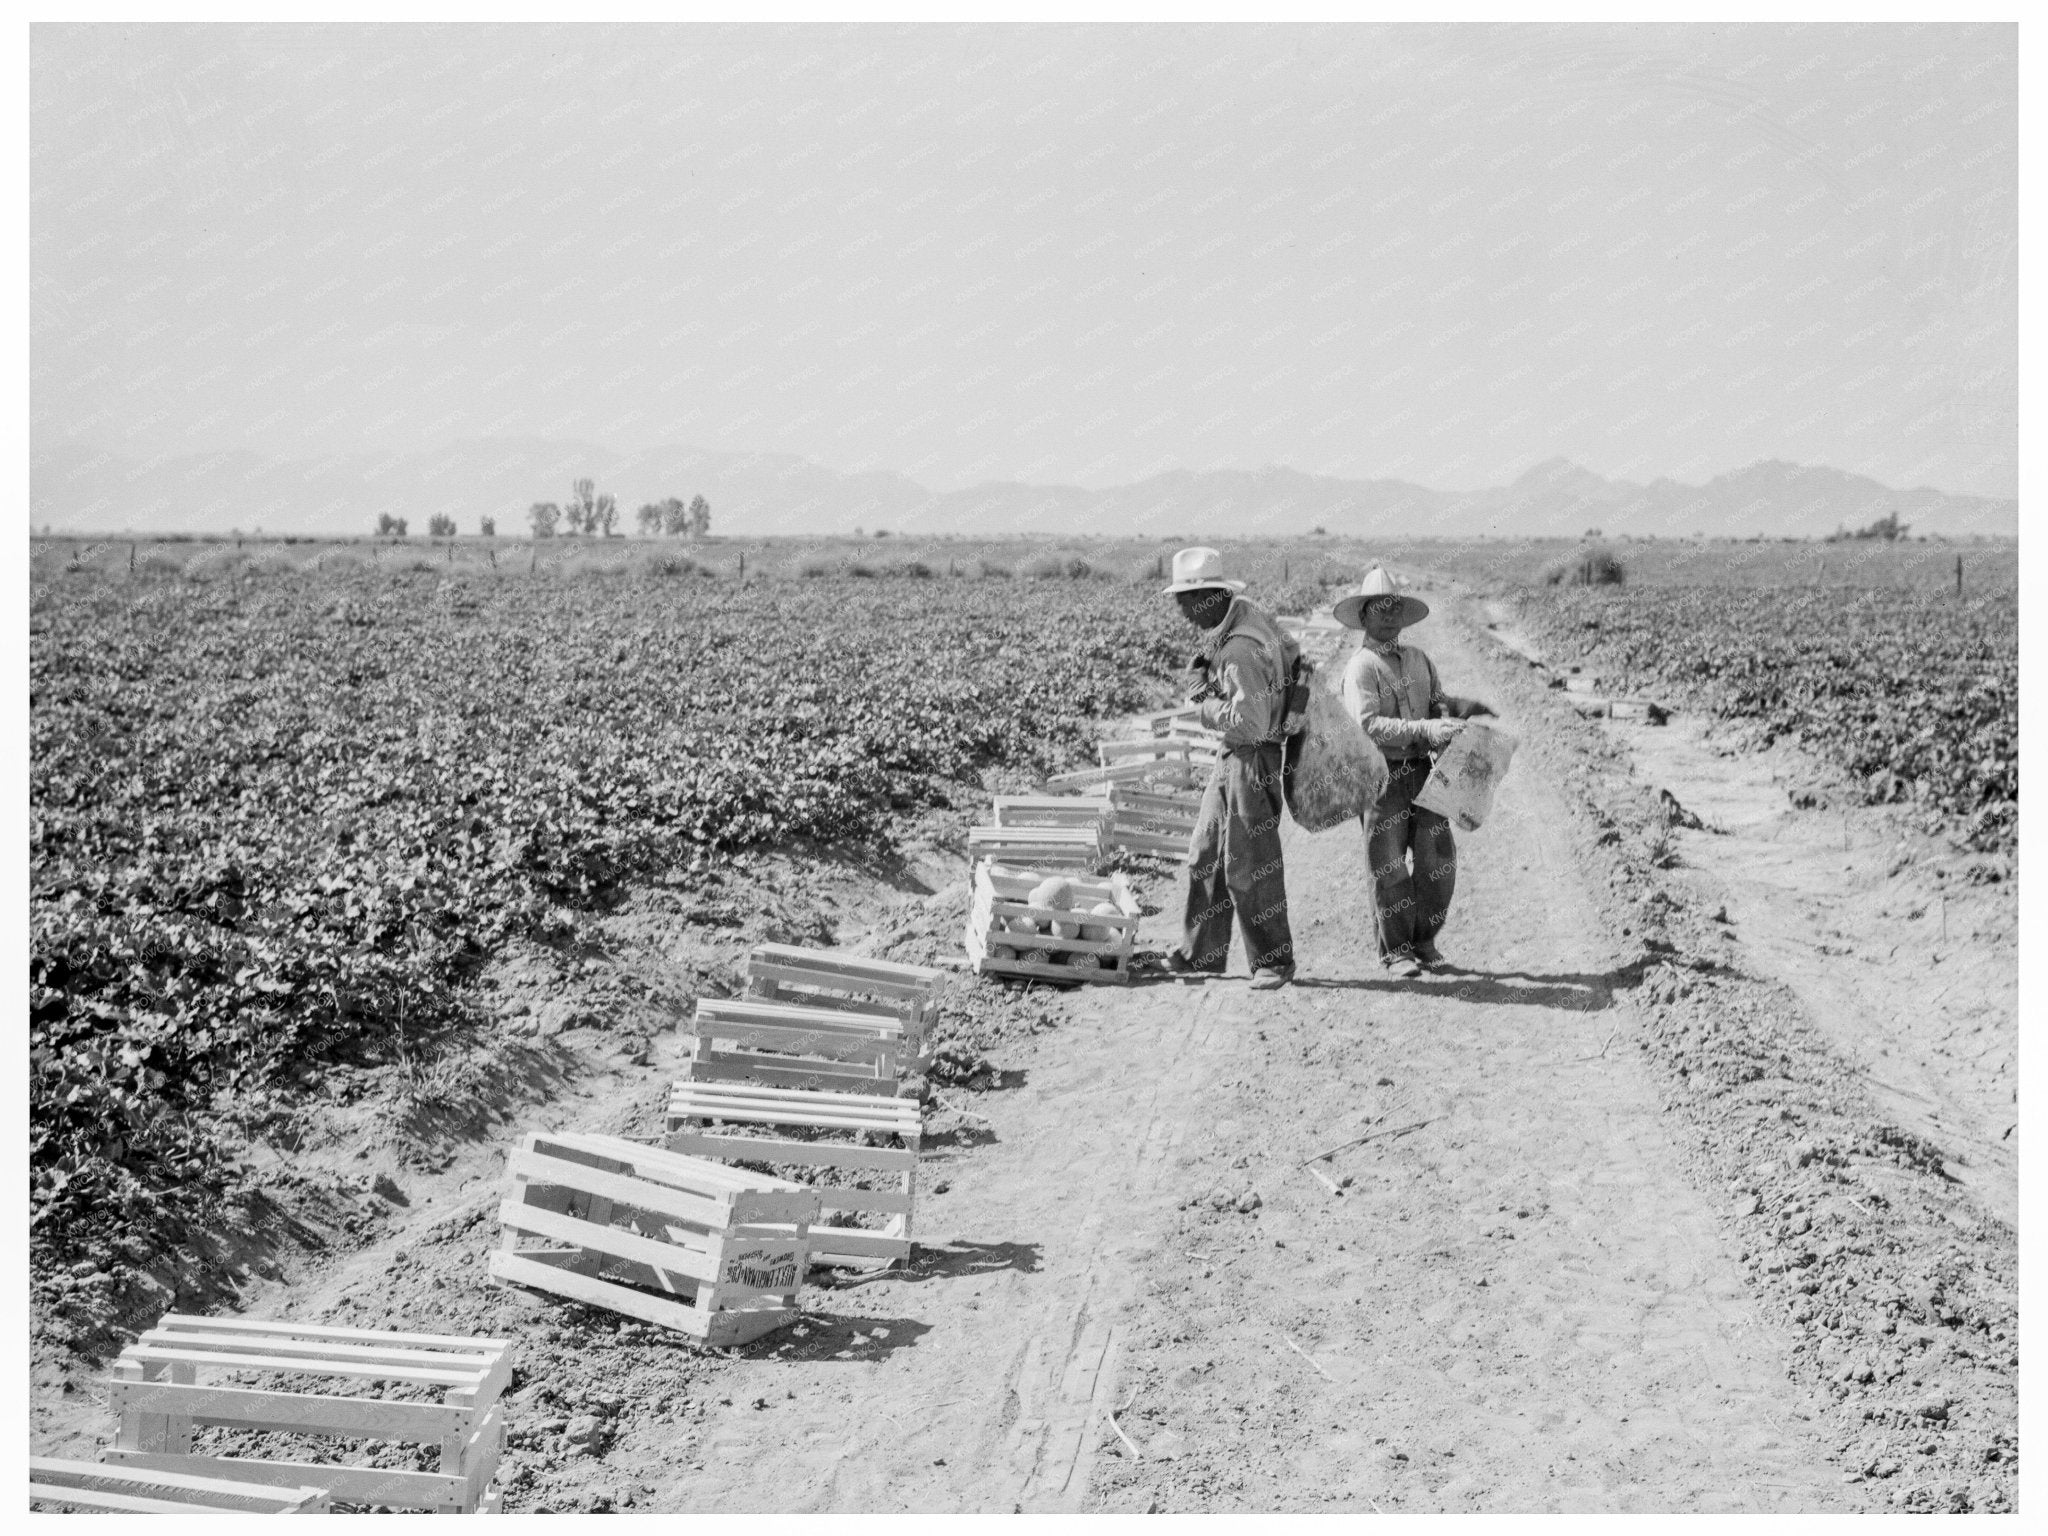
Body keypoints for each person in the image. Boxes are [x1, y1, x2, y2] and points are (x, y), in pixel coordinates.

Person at [1149, 547, 1302, 991]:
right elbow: (1293, 654)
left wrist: (1205, 704)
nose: (1179, 609)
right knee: (1206, 853)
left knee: (1250, 863)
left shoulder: (1238, 649)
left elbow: (1249, 722)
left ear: (1207, 598)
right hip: (1234, 755)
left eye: (1183, 600)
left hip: (1252, 756)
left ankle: (1274, 961)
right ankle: (1200, 954)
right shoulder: (1245, 620)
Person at [1334, 565, 1495, 978]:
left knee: (1436, 861)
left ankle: (1424, 941)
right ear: (1364, 616)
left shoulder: (1421, 660)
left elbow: (1436, 704)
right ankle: (1397, 951)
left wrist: (1451, 718)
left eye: (1394, 609)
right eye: (1379, 609)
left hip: (1423, 773)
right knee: (1388, 868)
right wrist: (1427, 728)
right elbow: (1368, 726)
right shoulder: (1362, 668)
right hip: (1380, 778)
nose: (1389, 616)